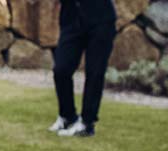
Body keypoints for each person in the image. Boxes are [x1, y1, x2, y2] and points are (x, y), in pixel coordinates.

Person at [50, 0, 118, 138]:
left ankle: (87, 123)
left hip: (101, 19)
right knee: (61, 70)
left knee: (95, 72)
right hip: (71, 18)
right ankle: (67, 116)